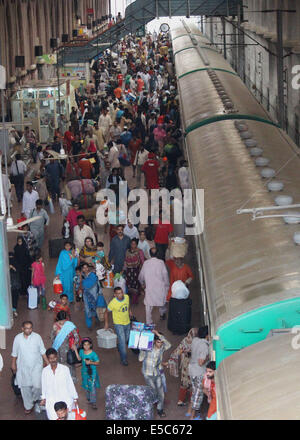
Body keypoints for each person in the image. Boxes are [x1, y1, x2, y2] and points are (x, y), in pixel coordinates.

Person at [11, 321, 48, 414]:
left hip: (36, 366)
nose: (29, 330)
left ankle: (35, 399)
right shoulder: (18, 338)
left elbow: (42, 351)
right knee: (25, 387)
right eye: (26, 328)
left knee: (37, 385)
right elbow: (14, 353)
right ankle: (28, 406)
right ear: (22, 329)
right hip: (23, 367)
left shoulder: (37, 337)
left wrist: (47, 362)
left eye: (30, 328)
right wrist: (13, 364)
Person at [138, 330, 171, 418]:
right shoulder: (147, 348)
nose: (160, 344)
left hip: (157, 373)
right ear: (154, 341)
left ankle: (160, 409)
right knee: (153, 391)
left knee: (161, 392)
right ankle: (151, 405)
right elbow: (140, 359)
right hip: (147, 374)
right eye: (158, 342)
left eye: (161, 342)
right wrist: (142, 350)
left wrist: (158, 334)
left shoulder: (162, 347)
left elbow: (169, 345)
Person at [40, 348, 79, 420]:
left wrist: (75, 397)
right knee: (53, 417)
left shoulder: (65, 369)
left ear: (57, 357)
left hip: (65, 398)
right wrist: (43, 398)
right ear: (48, 359)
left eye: (54, 357)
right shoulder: (45, 371)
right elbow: (44, 386)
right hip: (51, 400)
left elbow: (70, 384)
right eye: (50, 358)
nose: (53, 360)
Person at [168, 327, 198, 406]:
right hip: (194, 365)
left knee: (184, 383)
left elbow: (177, 351)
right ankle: (192, 402)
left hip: (185, 364)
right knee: (192, 383)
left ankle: (180, 400)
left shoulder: (185, 340)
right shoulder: (197, 343)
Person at [138, 247, 169, 324]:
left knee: (148, 306)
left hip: (150, 288)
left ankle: (149, 321)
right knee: (162, 302)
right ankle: (162, 314)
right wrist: (167, 286)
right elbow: (165, 276)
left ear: (149, 254)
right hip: (160, 288)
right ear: (158, 254)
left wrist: (142, 284)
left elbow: (141, 276)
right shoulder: (161, 263)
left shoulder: (146, 263)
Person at [186, 326, 210, 420]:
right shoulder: (204, 345)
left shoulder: (195, 340)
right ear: (207, 335)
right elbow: (201, 362)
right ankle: (193, 416)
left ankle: (188, 412)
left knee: (194, 390)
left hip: (191, 369)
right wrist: (208, 357)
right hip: (199, 372)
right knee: (198, 394)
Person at [104, 287, 132, 366]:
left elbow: (128, 304)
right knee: (123, 341)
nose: (120, 295)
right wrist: (106, 323)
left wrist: (129, 311)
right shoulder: (113, 303)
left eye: (121, 292)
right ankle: (123, 359)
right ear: (115, 295)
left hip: (127, 322)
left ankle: (119, 346)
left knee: (126, 339)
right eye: (118, 293)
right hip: (118, 324)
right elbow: (106, 312)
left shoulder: (126, 297)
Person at [51, 311, 80, 383]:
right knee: (60, 364)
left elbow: (77, 337)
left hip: (68, 350)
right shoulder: (55, 327)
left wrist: (74, 344)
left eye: (64, 320)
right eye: (60, 320)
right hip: (58, 350)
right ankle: (62, 379)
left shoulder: (69, 326)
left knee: (70, 364)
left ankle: (72, 379)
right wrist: (56, 333)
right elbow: (52, 338)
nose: (62, 322)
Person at [73, 337, 100, 410]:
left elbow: (97, 362)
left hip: (92, 372)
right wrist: (75, 350)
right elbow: (79, 359)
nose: (86, 346)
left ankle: (93, 402)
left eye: (88, 344)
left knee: (92, 386)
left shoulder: (93, 354)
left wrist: (90, 362)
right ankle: (89, 398)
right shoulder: (81, 351)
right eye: (84, 345)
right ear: (83, 345)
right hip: (84, 372)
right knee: (86, 385)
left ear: (90, 345)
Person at [81, 262, 106, 329]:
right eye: (84, 268)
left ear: (88, 268)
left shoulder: (93, 275)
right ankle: (89, 325)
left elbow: (88, 284)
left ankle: (97, 320)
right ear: (82, 269)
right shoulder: (82, 276)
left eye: (86, 267)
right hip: (87, 297)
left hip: (95, 296)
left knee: (96, 309)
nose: (85, 269)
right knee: (87, 310)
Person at [123, 238, 143, 305]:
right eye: (132, 244)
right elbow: (125, 261)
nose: (133, 245)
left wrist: (142, 270)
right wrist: (124, 269)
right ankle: (130, 298)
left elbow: (142, 261)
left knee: (136, 286)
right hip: (129, 272)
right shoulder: (127, 251)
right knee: (129, 285)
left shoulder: (140, 251)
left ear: (137, 245)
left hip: (136, 271)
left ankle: (135, 301)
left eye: (134, 244)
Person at [9, 252, 21, 317]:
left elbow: (18, 270)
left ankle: (14, 309)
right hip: (9, 285)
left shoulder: (16, 264)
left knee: (15, 297)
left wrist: (13, 267)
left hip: (15, 284)